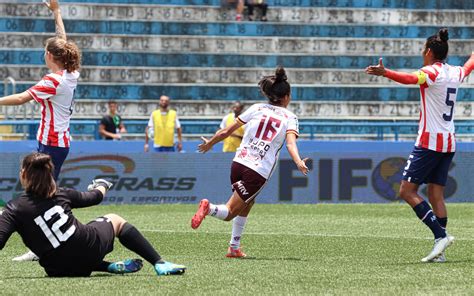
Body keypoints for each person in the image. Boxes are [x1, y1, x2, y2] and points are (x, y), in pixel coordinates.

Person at [365, 28, 474, 263]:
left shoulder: (431, 72)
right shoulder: (455, 72)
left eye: (424, 51)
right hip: (448, 142)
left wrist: (386, 73)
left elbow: (410, 79)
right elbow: (469, 65)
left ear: (429, 52)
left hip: (429, 142)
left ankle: (440, 236)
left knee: (406, 191)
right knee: (436, 194)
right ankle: (440, 251)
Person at [0, 153, 186, 277]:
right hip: (88, 250)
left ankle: (107, 266)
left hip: (57, 269)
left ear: (23, 174)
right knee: (115, 219)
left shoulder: (13, 208)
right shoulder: (61, 193)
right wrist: (102, 184)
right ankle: (159, 263)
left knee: (63, 251)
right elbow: (95, 197)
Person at [190, 66, 309, 258]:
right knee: (229, 213)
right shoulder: (290, 117)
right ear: (286, 96)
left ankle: (234, 247)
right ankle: (208, 207)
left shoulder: (256, 108)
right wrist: (298, 162)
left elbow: (226, 131)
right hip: (257, 170)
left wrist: (210, 143)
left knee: (249, 202)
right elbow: (290, 143)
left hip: (238, 163)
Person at [0, 0, 80, 262]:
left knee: (43, 194)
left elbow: (23, 98)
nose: (43, 53)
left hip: (52, 144)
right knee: (44, 191)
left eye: (45, 51)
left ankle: (45, 242)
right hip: (57, 142)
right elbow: (63, 40)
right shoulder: (70, 73)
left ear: (50, 56)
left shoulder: (52, 81)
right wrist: (56, 12)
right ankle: (46, 238)